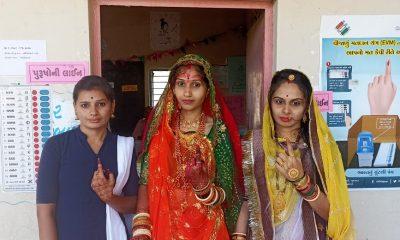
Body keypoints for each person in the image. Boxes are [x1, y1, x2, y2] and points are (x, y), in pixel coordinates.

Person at [131, 54, 248, 240]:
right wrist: (141, 227)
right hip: (165, 224)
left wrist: (204, 190)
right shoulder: (161, 131)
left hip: (207, 228)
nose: (187, 93)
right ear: (172, 88)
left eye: (196, 85)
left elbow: (228, 191)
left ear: (207, 89)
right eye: (181, 84)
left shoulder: (218, 132)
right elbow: (146, 181)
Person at [242, 69, 355, 239]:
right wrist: (239, 235)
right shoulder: (255, 144)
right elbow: (247, 199)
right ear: (269, 104)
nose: (286, 110)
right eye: (279, 101)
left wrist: (301, 180)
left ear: (306, 108)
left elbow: (333, 216)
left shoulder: (318, 149)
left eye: (296, 103)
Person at [36, 75, 139, 240]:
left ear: (113, 107)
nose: (93, 112)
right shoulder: (56, 147)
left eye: (101, 104)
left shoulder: (124, 147)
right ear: (75, 109)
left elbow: (135, 204)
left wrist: (110, 198)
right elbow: (45, 210)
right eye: (85, 105)